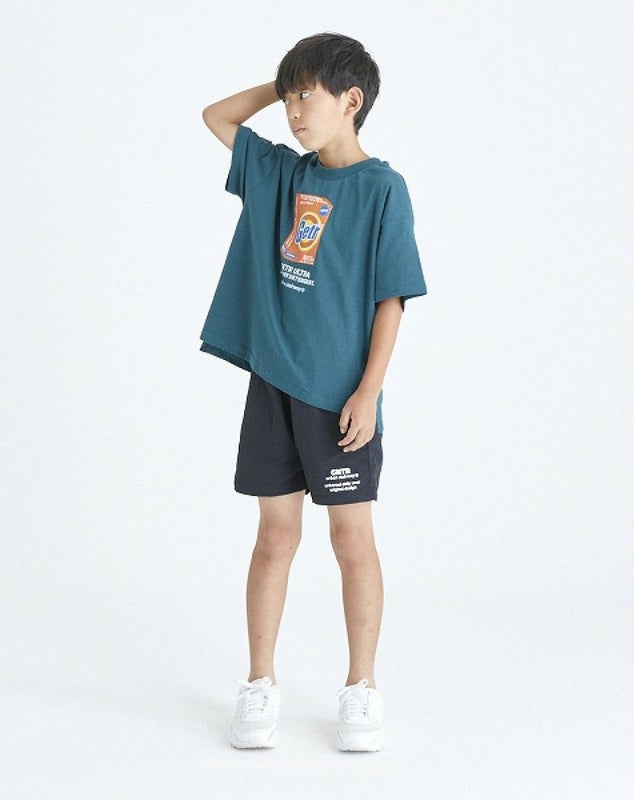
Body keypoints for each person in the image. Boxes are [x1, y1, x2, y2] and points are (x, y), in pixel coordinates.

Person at [200, 32, 426, 752]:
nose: (294, 111)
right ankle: (259, 682)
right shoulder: (278, 174)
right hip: (275, 386)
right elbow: (216, 116)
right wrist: (281, 83)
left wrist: (369, 391)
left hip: (340, 399)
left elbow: (392, 297)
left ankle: (361, 686)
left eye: (308, 95)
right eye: (289, 97)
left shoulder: (382, 189)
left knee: (352, 541)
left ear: (351, 101)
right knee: (274, 538)